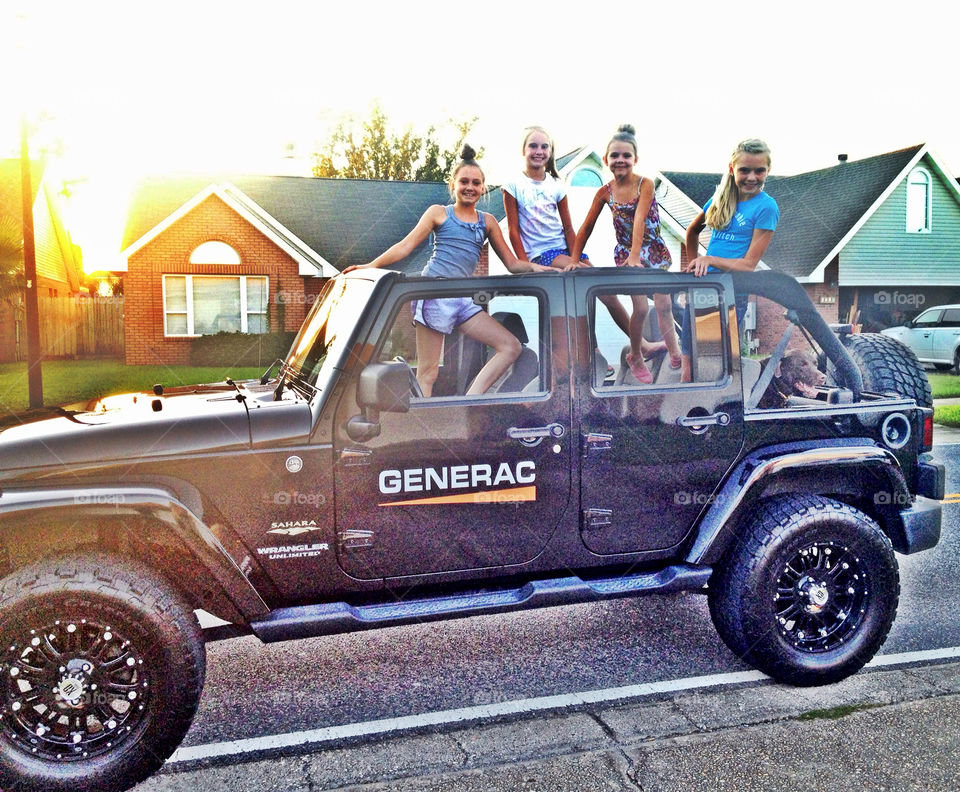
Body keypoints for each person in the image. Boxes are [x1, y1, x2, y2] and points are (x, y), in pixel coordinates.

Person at [342, 145, 554, 397]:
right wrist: (370, 265)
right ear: (453, 184)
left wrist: (536, 266)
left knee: (510, 346)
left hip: (462, 299)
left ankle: (469, 403)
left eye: (476, 183)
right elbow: (405, 247)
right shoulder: (439, 213)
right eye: (464, 181)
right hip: (435, 294)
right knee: (428, 373)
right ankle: (424, 426)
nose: (470, 187)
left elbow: (511, 263)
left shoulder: (487, 221)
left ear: (483, 188)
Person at [570, 124, 681, 384]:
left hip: (651, 249)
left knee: (664, 305)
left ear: (635, 159)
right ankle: (636, 356)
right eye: (615, 155)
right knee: (641, 307)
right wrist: (575, 259)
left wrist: (637, 255)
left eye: (626, 156)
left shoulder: (646, 183)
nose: (620, 160)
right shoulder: (604, 192)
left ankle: (675, 350)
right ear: (607, 159)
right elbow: (586, 226)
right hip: (626, 255)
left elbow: (640, 218)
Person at [682, 138, 779, 383]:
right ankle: (684, 395)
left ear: (768, 171)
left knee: (720, 358)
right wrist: (693, 267)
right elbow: (692, 232)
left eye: (760, 171)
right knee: (690, 349)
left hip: (732, 291)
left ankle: (723, 407)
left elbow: (748, 265)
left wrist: (711, 258)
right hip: (704, 286)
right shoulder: (720, 199)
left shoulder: (766, 207)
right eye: (744, 170)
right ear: (731, 169)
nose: (752, 177)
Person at [502, 126, 588, 270]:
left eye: (544, 147)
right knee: (586, 272)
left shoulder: (556, 184)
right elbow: (513, 231)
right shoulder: (513, 185)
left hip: (564, 249)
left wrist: (574, 259)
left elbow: (568, 228)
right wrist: (527, 266)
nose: (539, 151)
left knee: (596, 274)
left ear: (550, 151)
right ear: (523, 150)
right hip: (540, 254)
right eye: (533, 146)